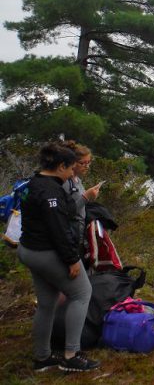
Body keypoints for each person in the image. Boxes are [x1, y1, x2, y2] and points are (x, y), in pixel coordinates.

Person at [17, 142, 100, 373]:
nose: (72, 172)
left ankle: (42, 356)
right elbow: (59, 230)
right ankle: (71, 355)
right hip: (46, 252)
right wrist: (72, 260)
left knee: (47, 303)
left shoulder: (32, 183)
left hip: (28, 250)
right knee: (82, 293)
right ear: (61, 166)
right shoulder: (51, 192)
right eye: (71, 168)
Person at [61, 141, 102, 260]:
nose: (87, 166)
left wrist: (90, 198)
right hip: (69, 235)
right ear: (72, 163)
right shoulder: (65, 182)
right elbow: (67, 211)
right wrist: (85, 197)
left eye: (89, 162)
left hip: (78, 233)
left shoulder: (77, 180)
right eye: (83, 163)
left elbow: (79, 205)